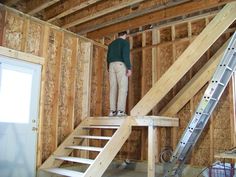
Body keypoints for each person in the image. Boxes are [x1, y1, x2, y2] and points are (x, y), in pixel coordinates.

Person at [107, 31, 132, 116]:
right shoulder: (125, 43)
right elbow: (126, 55)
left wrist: (109, 68)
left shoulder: (111, 44)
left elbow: (107, 58)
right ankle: (120, 111)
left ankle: (112, 111)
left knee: (113, 88)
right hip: (120, 64)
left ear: (118, 35)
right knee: (123, 88)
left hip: (111, 65)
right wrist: (129, 68)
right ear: (125, 35)